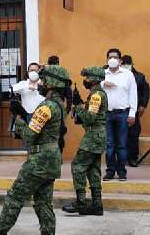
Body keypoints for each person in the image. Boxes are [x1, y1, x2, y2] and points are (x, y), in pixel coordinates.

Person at [0, 65, 70, 235]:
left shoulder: (46, 107)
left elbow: (29, 136)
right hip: (52, 158)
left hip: (39, 160)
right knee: (43, 202)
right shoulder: (59, 104)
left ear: (51, 83)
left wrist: (19, 118)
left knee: (14, 197)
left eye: (43, 79)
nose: (41, 82)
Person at [62, 67, 108, 216]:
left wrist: (79, 106)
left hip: (94, 136)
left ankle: (81, 202)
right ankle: (97, 204)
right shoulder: (96, 94)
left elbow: (90, 118)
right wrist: (81, 104)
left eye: (88, 78)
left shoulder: (96, 96)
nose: (85, 80)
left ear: (94, 79)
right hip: (97, 135)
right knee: (93, 169)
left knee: (78, 165)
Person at [102, 48, 137, 181]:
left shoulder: (128, 74)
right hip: (107, 114)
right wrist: (102, 83)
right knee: (109, 145)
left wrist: (132, 113)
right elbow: (93, 88)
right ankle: (110, 170)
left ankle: (122, 171)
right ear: (107, 59)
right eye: (110, 57)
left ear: (120, 60)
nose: (112, 59)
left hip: (123, 113)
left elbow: (133, 94)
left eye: (115, 57)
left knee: (122, 144)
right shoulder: (103, 74)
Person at [121, 55, 150, 167]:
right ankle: (121, 158)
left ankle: (133, 158)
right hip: (120, 109)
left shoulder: (139, 77)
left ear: (132, 64)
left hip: (134, 110)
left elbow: (145, 92)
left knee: (133, 134)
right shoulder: (118, 76)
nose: (126, 66)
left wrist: (143, 105)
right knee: (120, 134)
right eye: (123, 63)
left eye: (127, 63)